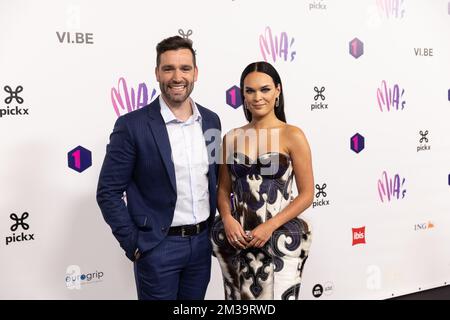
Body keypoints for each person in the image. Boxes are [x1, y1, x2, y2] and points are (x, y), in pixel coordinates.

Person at [96, 35, 221, 300]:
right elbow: (108, 191)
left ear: (196, 73)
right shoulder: (133, 126)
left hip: (201, 247)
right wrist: (136, 244)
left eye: (185, 68)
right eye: (169, 68)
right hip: (159, 248)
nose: (178, 77)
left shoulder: (211, 121)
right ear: (157, 73)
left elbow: (214, 180)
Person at [211, 61, 314, 300]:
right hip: (237, 239)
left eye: (265, 89)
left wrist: (270, 225)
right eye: (250, 90)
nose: (257, 97)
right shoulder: (230, 137)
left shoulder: (293, 135)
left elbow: (307, 193)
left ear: (277, 91)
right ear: (243, 95)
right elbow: (222, 190)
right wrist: (227, 219)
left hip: (279, 238)